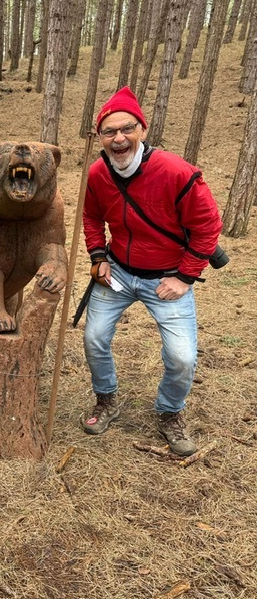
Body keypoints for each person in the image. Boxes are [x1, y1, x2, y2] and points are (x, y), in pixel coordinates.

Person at [81, 86, 222, 456]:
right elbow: (91, 217)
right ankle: (106, 399)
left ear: (142, 130)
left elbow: (208, 226)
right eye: (109, 131)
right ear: (100, 137)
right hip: (117, 271)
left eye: (127, 128)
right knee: (94, 338)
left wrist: (185, 277)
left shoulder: (176, 172)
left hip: (166, 276)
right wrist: (98, 256)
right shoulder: (97, 173)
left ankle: (170, 412)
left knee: (182, 357)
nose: (118, 138)